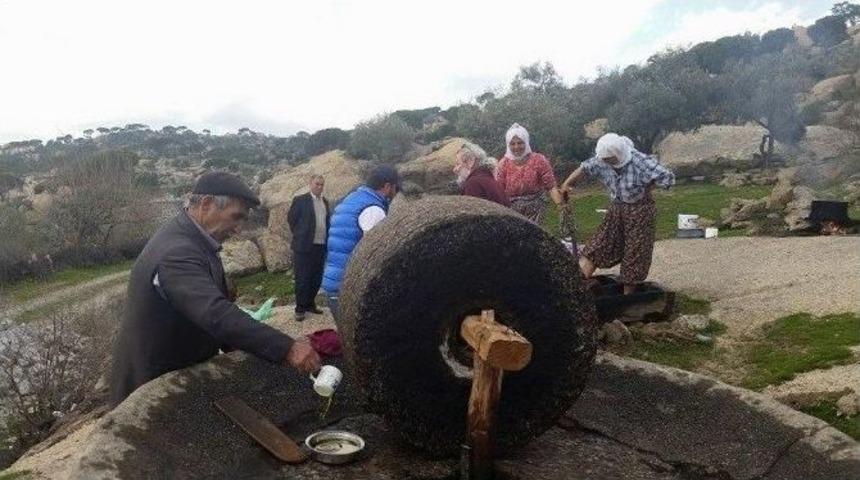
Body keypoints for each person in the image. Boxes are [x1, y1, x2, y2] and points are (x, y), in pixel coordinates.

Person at [110, 171, 321, 406]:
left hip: (173, 375)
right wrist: (287, 348)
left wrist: (239, 345)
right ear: (207, 204)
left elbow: (210, 309)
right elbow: (214, 313)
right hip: (149, 387)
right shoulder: (177, 252)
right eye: (235, 217)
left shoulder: (195, 238)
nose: (239, 229)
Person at [561, 133, 675, 295]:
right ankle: (574, 290)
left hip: (640, 211)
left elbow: (667, 178)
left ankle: (627, 299)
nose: (606, 162)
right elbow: (585, 167)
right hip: (617, 208)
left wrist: (648, 186)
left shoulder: (639, 161)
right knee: (598, 244)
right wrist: (567, 183)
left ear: (619, 154)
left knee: (635, 252)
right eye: (605, 159)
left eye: (610, 159)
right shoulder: (601, 158)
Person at [321, 165, 400, 320]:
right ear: (387, 186)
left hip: (335, 283)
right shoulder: (373, 209)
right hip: (351, 289)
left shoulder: (350, 200)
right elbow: (377, 253)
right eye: (395, 188)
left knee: (348, 339)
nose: (395, 193)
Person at [496, 123, 564, 223]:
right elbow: (499, 191)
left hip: (536, 209)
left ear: (526, 143)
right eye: (512, 144)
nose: (516, 147)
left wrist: (561, 207)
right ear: (508, 145)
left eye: (520, 143)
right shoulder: (503, 164)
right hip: (511, 211)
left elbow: (551, 186)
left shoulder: (539, 160)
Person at [287, 174, 330, 321]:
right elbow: (291, 220)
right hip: (304, 247)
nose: (319, 187)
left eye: (321, 185)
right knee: (303, 278)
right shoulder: (300, 200)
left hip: (320, 245)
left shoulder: (325, 202)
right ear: (310, 184)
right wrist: (300, 234)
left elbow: (326, 222)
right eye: (317, 184)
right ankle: (300, 309)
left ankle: (310, 304)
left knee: (316, 278)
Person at [452, 141, 509, 206]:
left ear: (470, 162)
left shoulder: (473, 184)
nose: (455, 170)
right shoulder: (490, 179)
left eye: (458, 164)